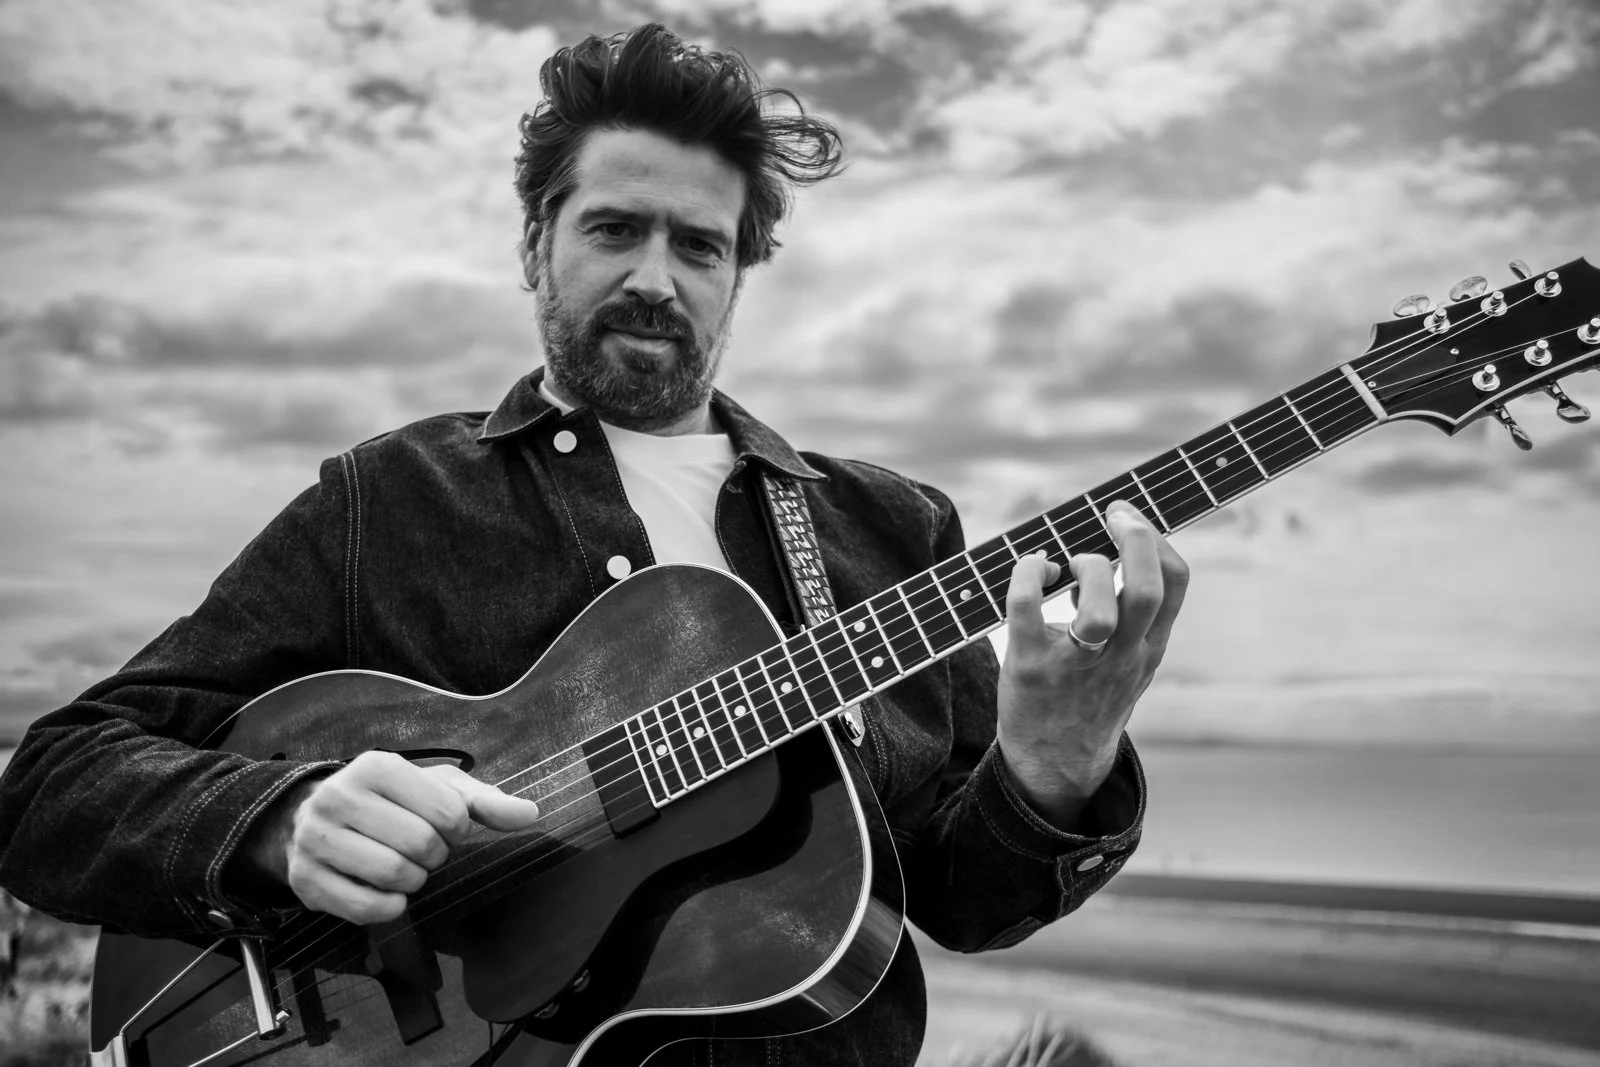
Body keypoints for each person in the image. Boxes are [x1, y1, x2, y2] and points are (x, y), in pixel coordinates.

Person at [0, 23, 1187, 1066]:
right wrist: (273, 818)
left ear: (739, 276)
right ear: (537, 245)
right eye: (614, 228)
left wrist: (1057, 757)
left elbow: (962, 901)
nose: (654, 278)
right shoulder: (391, 499)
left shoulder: (890, 529)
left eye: (699, 245)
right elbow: (53, 784)